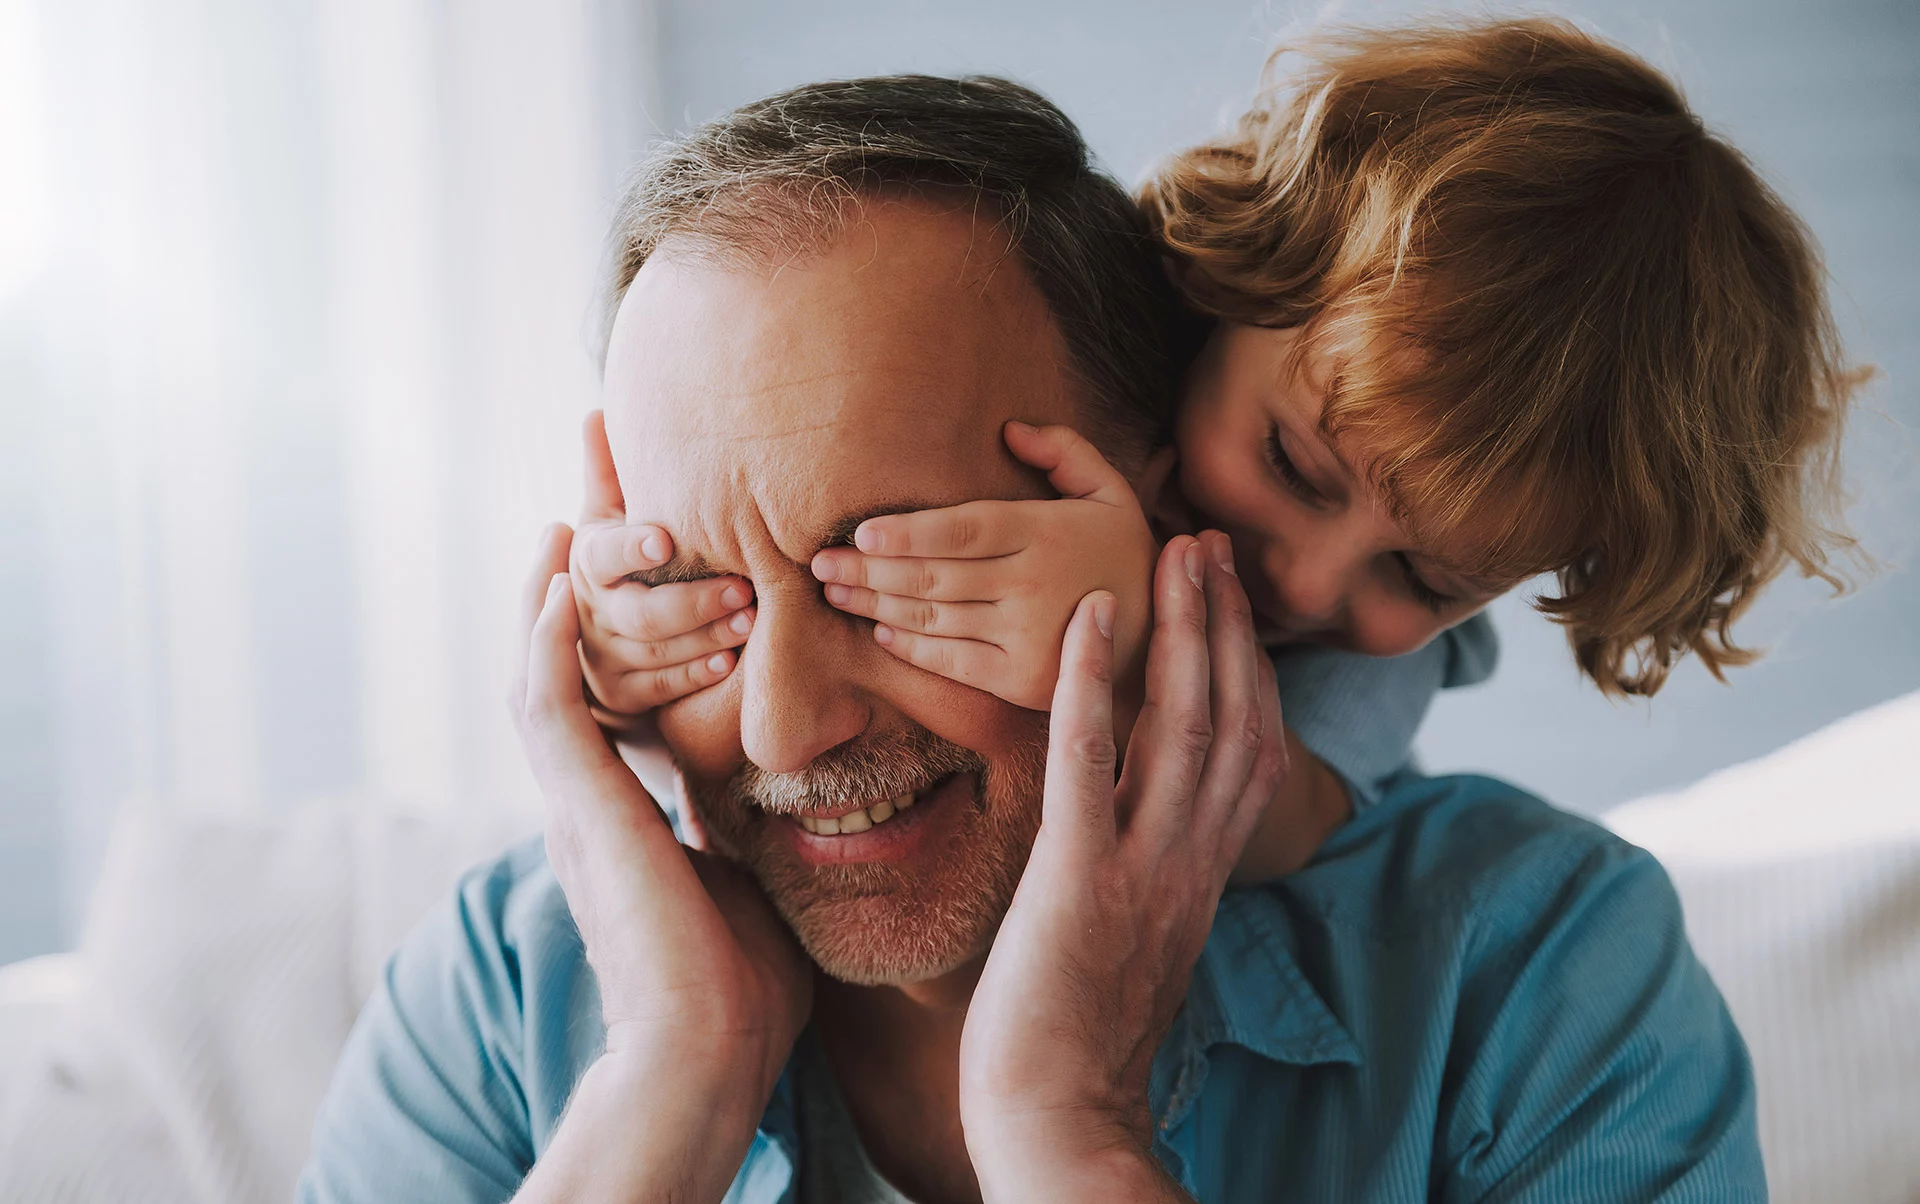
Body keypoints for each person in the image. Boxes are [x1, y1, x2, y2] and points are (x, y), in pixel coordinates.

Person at [299, 72, 1762, 1203]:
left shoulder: (1540, 977)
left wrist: (1071, 1134)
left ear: (1145, 503)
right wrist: (669, 1079)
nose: (777, 730)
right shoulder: (505, 996)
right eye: (697, 594)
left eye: (885, 571)